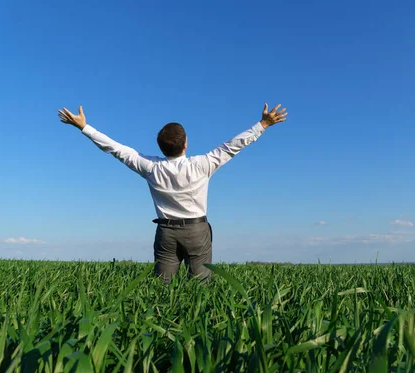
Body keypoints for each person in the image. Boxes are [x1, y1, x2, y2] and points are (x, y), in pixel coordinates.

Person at [58, 103, 288, 283]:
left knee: (162, 286)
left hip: (166, 232)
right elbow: (233, 145)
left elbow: (115, 148)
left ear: (161, 147)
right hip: (197, 231)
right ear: (186, 144)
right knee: (202, 286)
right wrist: (263, 125)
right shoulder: (203, 164)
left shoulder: (150, 167)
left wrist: (84, 127)